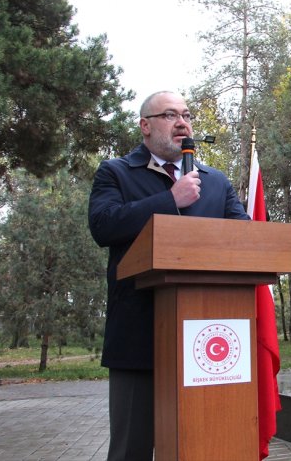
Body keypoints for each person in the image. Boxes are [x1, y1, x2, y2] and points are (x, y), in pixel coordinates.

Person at [88, 91, 249, 461]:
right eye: (170, 114)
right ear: (145, 126)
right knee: (133, 449)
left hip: (209, 344)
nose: (182, 122)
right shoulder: (116, 172)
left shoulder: (215, 181)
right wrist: (169, 200)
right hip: (139, 336)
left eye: (187, 115)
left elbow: (245, 239)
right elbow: (103, 226)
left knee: (205, 445)